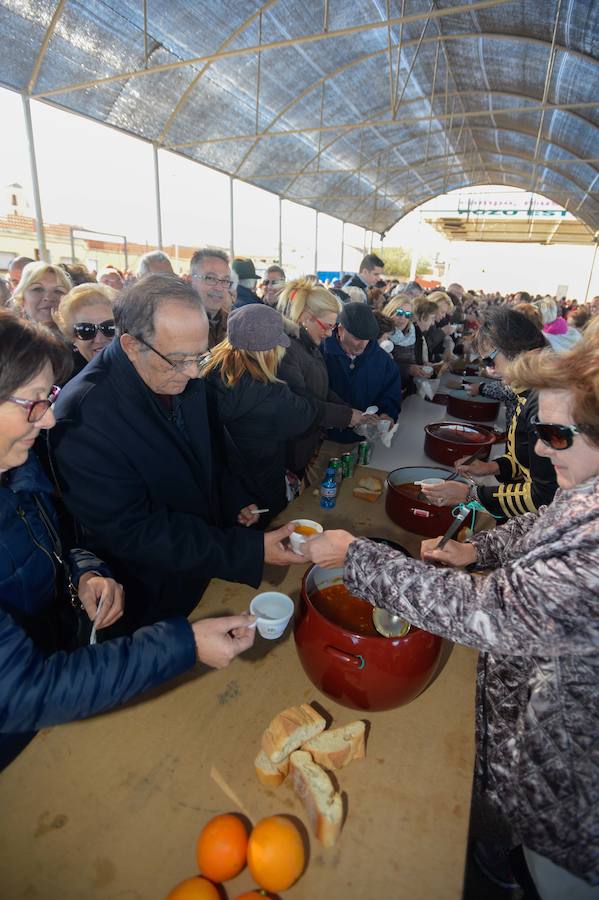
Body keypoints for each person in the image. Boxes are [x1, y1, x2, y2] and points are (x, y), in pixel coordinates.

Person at [302, 328, 599, 900]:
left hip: (571, 801)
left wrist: (354, 557)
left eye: (556, 436)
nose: (540, 449)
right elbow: (546, 523)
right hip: (541, 755)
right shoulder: (586, 488)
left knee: (550, 881)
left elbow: (483, 611)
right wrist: (477, 549)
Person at [0, 310, 256, 770]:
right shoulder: (87, 416)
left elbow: (56, 542)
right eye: (34, 402)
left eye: (50, 397)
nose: (50, 419)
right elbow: (19, 689)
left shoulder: (16, 473)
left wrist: (83, 571)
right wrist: (186, 645)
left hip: (62, 689)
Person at [49, 275, 301, 633]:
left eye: (200, 357)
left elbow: (208, 453)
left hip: (203, 564)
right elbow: (136, 531)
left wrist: (232, 500)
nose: (194, 373)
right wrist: (249, 551)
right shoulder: (83, 418)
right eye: (181, 361)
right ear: (131, 344)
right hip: (150, 596)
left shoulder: (179, 370)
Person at [423, 308, 558, 520]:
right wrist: (490, 467)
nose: (489, 371)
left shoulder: (546, 404)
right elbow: (524, 461)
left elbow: (545, 497)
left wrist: (470, 494)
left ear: (525, 352)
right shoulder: (525, 391)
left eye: (491, 360)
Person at [202, 304, 317, 522]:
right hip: (260, 492)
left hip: (223, 492)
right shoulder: (272, 394)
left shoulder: (205, 372)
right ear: (268, 350)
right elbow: (306, 415)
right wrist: (294, 379)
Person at [277, 279, 364, 480]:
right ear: (306, 317)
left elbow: (321, 389)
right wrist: (345, 415)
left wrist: (348, 411)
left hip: (306, 444)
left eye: (333, 328)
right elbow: (300, 403)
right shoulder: (287, 351)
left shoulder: (309, 345)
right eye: (326, 326)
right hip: (290, 451)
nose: (328, 334)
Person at [323, 301, 401, 443]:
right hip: (323, 438)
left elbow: (391, 392)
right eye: (357, 338)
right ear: (340, 330)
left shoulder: (383, 361)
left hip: (365, 439)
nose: (363, 345)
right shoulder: (321, 353)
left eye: (368, 339)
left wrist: (387, 414)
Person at [54, 282, 117, 378]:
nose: (99, 339)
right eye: (86, 330)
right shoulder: (65, 382)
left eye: (109, 327)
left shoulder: (144, 372)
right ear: (72, 338)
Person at [382, 295, 432, 386]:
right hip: (387, 386)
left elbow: (418, 359)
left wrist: (424, 365)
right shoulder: (382, 333)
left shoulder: (414, 332)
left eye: (408, 315)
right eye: (399, 313)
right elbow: (379, 365)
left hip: (409, 387)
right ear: (390, 311)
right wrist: (407, 369)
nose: (403, 318)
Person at [189, 248, 234, 349]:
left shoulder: (233, 325)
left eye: (225, 281)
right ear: (191, 280)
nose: (219, 288)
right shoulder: (178, 324)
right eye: (210, 278)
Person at [10, 261, 72, 331]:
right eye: (37, 289)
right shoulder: (8, 338)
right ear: (21, 300)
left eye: (58, 291)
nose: (48, 298)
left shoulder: (82, 337)